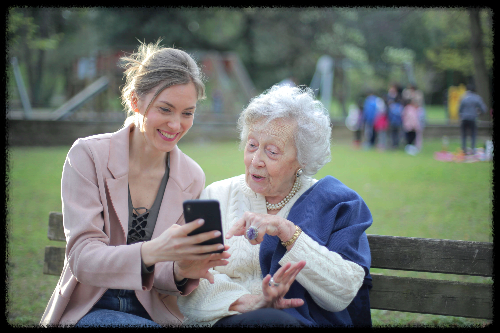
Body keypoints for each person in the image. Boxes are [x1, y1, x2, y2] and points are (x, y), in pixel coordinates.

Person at [40, 41, 230, 327]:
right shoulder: (88, 155)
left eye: (187, 113)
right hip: (89, 309)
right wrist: (153, 251)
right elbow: (83, 258)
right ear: (134, 101)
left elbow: (164, 277)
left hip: (154, 314)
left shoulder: (192, 175)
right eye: (165, 109)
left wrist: (184, 268)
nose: (176, 125)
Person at [177, 84, 373, 327]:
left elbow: (344, 292)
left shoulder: (337, 203)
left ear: (302, 159)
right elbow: (189, 277)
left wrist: (288, 232)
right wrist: (246, 301)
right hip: (225, 320)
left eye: (271, 151)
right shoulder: (217, 195)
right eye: (251, 145)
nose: (255, 161)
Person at [458, 83, 487, 154]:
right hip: (472, 118)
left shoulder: (463, 97)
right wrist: (479, 113)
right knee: (473, 134)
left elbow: (459, 109)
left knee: (464, 134)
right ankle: (473, 149)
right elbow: (484, 109)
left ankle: (464, 149)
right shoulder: (477, 97)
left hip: (464, 118)